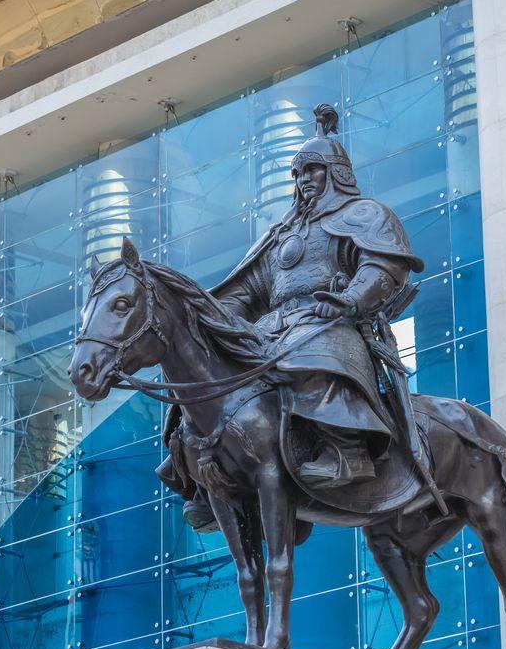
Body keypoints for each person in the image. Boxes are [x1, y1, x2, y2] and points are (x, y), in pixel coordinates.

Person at [161, 103, 424, 530]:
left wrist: (349, 299)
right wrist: (211, 326)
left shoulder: (364, 215)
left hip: (332, 321)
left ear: (335, 173)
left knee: (310, 355)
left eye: (312, 170)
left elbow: (383, 267)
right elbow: (246, 292)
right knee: (196, 380)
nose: (303, 180)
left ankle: (348, 451)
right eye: (298, 174)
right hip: (274, 328)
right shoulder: (282, 234)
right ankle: (205, 478)